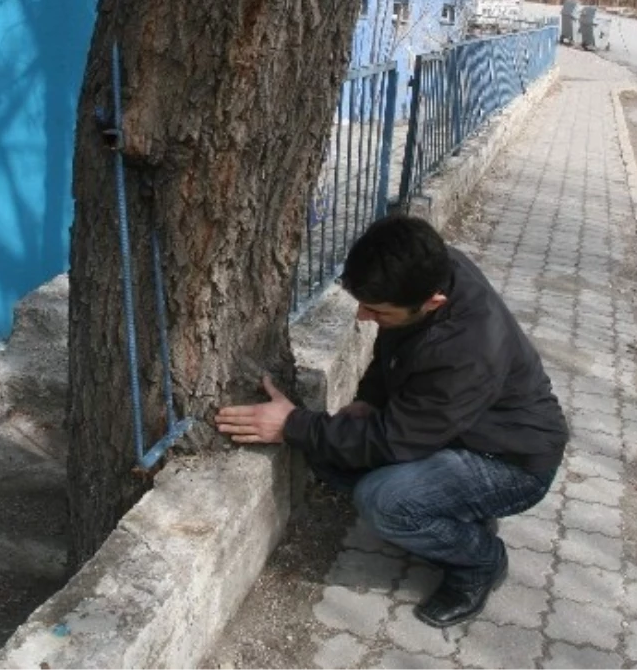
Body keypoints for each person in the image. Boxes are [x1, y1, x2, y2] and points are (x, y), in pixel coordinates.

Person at [216, 215, 568, 628]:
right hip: (460, 428)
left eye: (377, 310)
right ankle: (459, 511)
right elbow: (395, 346)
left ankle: (480, 562)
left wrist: (292, 424)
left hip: (510, 462)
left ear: (433, 302)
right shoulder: (428, 272)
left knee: (384, 501)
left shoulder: (467, 353)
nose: (364, 317)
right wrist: (368, 399)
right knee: (331, 458)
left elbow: (394, 441)